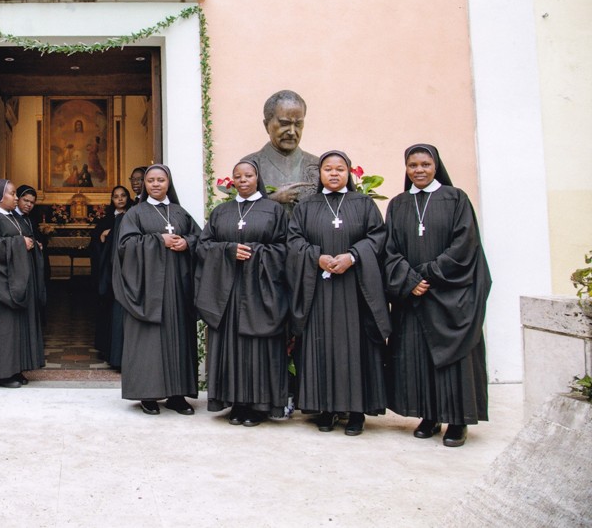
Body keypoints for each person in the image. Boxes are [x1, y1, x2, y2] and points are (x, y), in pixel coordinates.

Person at [384, 144, 492, 447]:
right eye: (413, 165)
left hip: (449, 294)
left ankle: (457, 421)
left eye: (425, 164)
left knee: (454, 359)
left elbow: (464, 245)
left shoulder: (456, 198)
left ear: (436, 166)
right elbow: (389, 249)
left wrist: (428, 274)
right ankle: (429, 415)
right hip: (414, 295)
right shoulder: (398, 204)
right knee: (419, 357)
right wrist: (409, 279)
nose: (419, 170)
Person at [286, 150, 390, 436]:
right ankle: (326, 408)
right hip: (319, 289)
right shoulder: (306, 206)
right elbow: (294, 241)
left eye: (340, 169)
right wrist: (316, 257)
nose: (333, 174)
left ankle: (356, 412)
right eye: (328, 169)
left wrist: (353, 256)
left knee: (355, 347)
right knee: (322, 346)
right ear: (319, 174)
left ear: (348, 173)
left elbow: (378, 237)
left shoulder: (364, 203)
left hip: (355, 290)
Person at [195, 159, 291, 426]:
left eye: (248, 175)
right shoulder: (221, 211)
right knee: (231, 346)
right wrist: (227, 251)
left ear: (257, 178)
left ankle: (258, 406)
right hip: (227, 292)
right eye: (238, 176)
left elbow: (286, 248)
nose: (243, 180)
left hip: (261, 291)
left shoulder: (274, 210)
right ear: (232, 180)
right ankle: (235, 403)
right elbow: (203, 246)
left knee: (257, 348)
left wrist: (256, 252)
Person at [113, 164, 201, 415]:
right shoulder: (135, 213)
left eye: (160, 180)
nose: (155, 184)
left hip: (177, 287)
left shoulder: (180, 213)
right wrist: (158, 240)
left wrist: (187, 243)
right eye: (151, 180)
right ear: (145, 184)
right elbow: (125, 246)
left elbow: (201, 239)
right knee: (148, 342)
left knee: (178, 338)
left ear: (168, 183)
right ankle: (148, 395)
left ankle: (177, 395)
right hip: (147, 289)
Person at [0, 179, 42, 387]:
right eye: (12, 194)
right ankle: (0, 374)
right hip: (0, 284)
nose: (16, 198)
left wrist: (31, 243)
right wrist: (20, 243)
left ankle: (15, 369)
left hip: (17, 281)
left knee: (16, 330)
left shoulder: (13, 217)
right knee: (3, 331)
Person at [242, 90, 320, 213]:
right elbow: (238, 212)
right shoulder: (249, 166)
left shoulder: (318, 166)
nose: (292, 132)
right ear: (266, 125)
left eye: (298, 124)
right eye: (284, 123)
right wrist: (271, 199)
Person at [91, 185, 132, 368]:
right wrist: (103, 237)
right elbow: (95, 245)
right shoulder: (106, 220)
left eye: (123, 195)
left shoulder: (133, 216)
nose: (120, 199)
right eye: (116, 196)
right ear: (112, 199)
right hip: (108, 272)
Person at [13, 184, 46, 377]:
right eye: (26, 200)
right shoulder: (11, 218)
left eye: (32, 202)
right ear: (17, 198)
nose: (29, 205)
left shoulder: (28, 219)